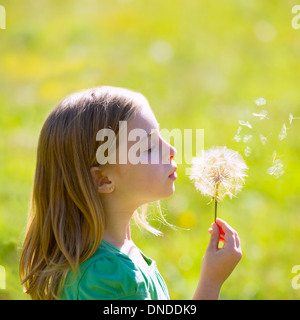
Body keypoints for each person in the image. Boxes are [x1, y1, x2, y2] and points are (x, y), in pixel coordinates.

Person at [19, 86, 242, 300]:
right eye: (148, 148)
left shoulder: (113, 259)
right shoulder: (109, 278)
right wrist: (211, 281)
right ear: (104, 179)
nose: (171, 150)